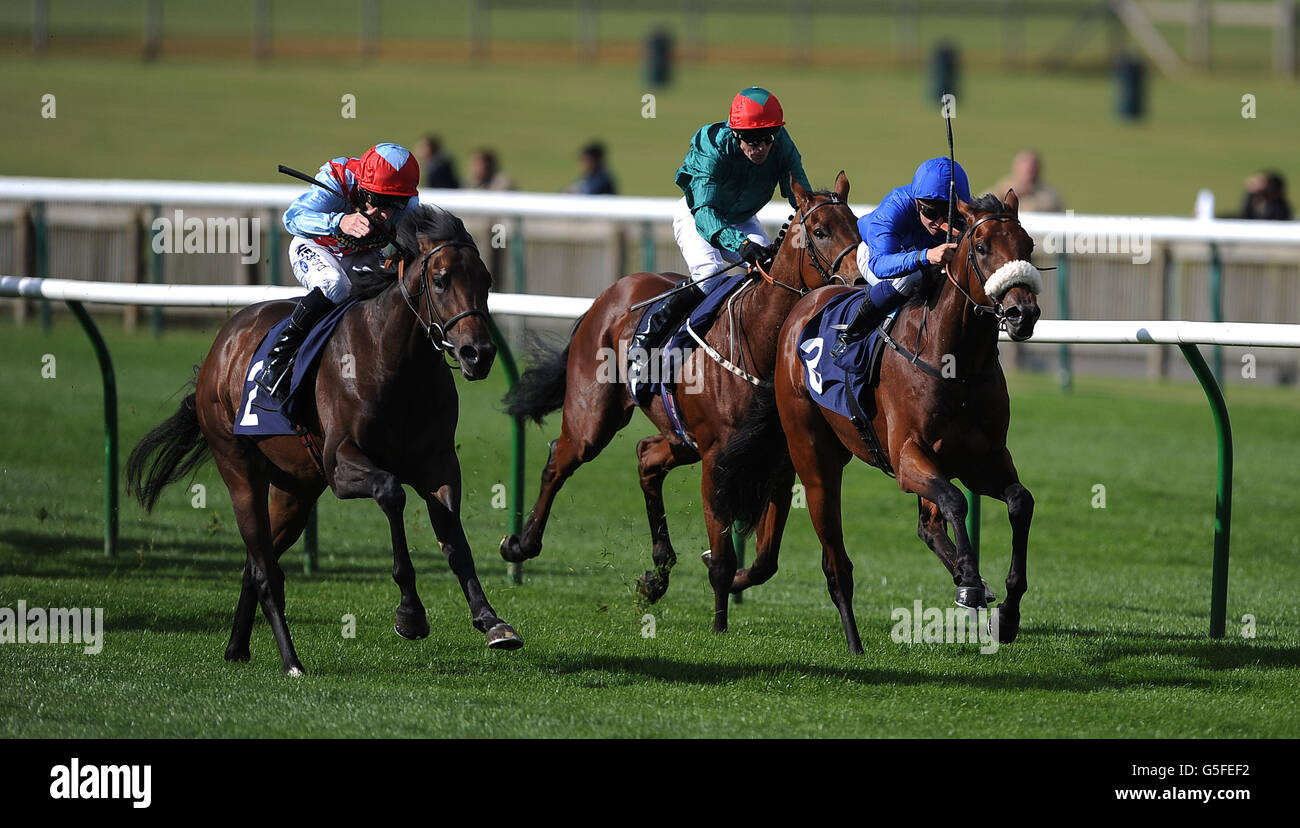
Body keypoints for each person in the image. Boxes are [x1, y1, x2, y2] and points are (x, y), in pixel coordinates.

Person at [627, 86, 812, 386]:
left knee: (773, 276)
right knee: (710, 273)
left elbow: (800, 194)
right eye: (752, 140)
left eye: (768, 138)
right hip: (697, 216)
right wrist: (740, 245)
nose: (761, 147)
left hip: (742, 218)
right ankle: (649, 338)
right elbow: (706, 215)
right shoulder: (711, 147)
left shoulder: (781, 145)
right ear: (736, 134)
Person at [254, 142, 420, 402]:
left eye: (394, 204)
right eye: (376, 200)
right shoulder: (338, 176)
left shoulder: (410, 206)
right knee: (335, 285)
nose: (382, 214)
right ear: (362, 187)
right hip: (314, 246)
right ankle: (277, 360)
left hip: (360, 255)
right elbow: (292, 218)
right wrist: (339, 221)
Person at [829, 157, 970, 362]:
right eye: (930, 212)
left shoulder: (963, 213)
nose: (939, 221)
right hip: (875, 256)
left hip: (926, 260)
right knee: (909, 277)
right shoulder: (894, 209)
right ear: (916, 201)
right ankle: (851, 335)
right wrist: (926, 256)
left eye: (948, 213)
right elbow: (879, 265)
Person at [987, 149, 1062, 213]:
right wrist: (1003, 195)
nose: (1028, 171)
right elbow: (982, 204)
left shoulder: (1048, 193)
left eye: (1032, 168)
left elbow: (1056, 212)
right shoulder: (1003, 187)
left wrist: (1030, 193)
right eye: (1025, 168)